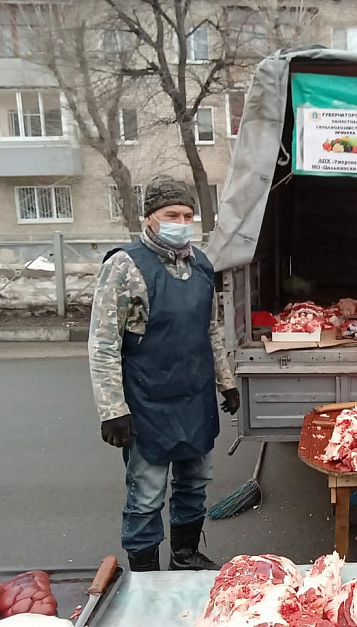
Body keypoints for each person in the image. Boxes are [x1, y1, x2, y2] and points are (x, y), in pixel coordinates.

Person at [88, 175, 240, 572]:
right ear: (150, 218)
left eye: (188, 214)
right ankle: (144, 575)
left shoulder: (202, 265)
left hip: (195, 399)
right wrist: (111, 409)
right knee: (147, 495)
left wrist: (226, 382)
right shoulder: (124, 266)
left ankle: (186, 557)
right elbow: (103, 343)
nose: (181, 221)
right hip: (147, 403)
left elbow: (209, 329)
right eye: (172, 214)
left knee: (195, 485)